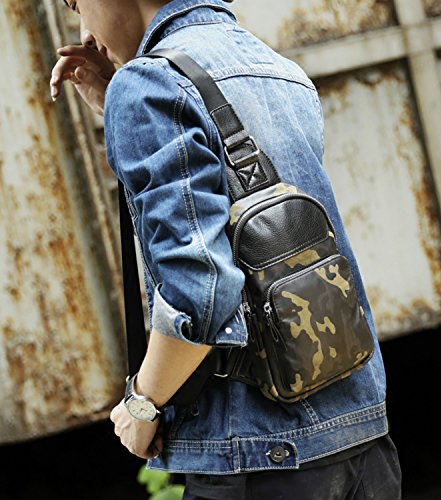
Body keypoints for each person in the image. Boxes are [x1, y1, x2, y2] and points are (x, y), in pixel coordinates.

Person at [50, 1, 402, 498]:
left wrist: (142, 403)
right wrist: (123, 112)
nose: (84, 32)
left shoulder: (150, 84)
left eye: (75, 3)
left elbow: (202, 291)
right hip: (361, 440)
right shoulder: (276, 67)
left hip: (259, 461)